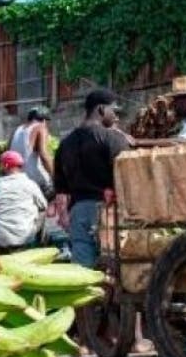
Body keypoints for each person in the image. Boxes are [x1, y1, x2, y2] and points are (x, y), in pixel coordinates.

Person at [53, 88, 131, 268]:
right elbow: (127, 177)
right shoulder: (112, 138)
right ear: (102, 109)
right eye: (114, 110)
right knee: (114, 268)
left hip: (78, 212)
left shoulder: (65, 144)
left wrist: (65, 216)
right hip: (108, 210)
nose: (115, 115)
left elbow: (61, 191)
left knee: (83, 270)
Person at [0, 151, 47, 252]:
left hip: (0, 239)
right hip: (26, 235)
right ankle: (41, 245)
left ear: (5, 166)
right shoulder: (30, 184)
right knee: (42, 210)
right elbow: (43, 206)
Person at [8, 105, 55, 195]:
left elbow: (7, 155)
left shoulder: (16, 130)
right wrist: (56, 176)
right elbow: (44, 155)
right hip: (36, 181)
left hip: (16, 181)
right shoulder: (40, 127)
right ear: (43, 120)